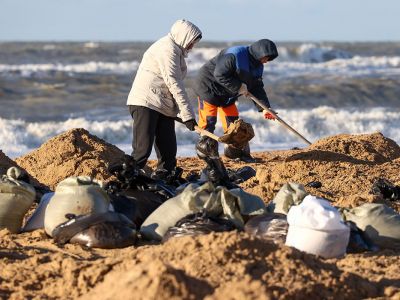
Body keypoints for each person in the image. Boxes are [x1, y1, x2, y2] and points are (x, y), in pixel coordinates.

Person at [126, 19, 202, 180]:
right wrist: (188, 115)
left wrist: (182, 115)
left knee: (168, 151)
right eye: (191, 41)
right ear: (184, 37)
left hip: (161, 104)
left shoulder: (177, 50)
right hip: (145, 102)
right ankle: (123, 178)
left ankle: (164, 178)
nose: (192, 46)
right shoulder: (167, 49)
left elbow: (169, 88)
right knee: (142, 151)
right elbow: (174, 83)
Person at [194, 39, 279, 162]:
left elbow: (257, 87)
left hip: (227, 94)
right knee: (209, 121)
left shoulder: (258, 66)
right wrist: (238, 86)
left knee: (234, 124)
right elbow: (219, 74)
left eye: (269, 59)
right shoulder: (235, 54)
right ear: (259, 52)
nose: (266, 61)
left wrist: (265, 108)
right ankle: (206, 154)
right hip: (208, 86)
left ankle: (233, 154)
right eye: (266, 57)